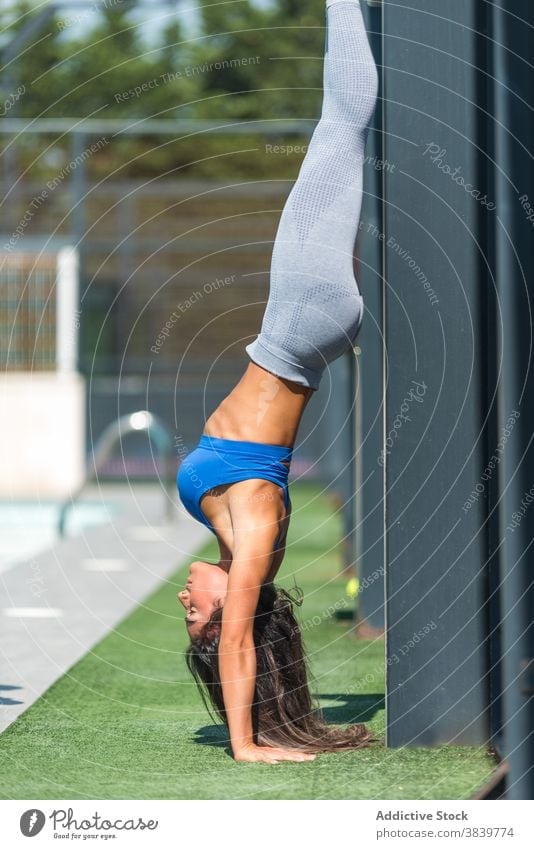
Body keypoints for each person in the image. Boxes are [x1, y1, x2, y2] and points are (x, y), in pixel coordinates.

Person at [177, 0, 379, 763]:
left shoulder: (234, 533)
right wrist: (246, 742)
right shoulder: (254, 530)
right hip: (300, 322)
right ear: (227, 612)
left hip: (300, 327)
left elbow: (237, 628)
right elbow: (238, 643)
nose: (185, 601)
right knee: (340, 126)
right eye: (195, 616)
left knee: (344, 135)